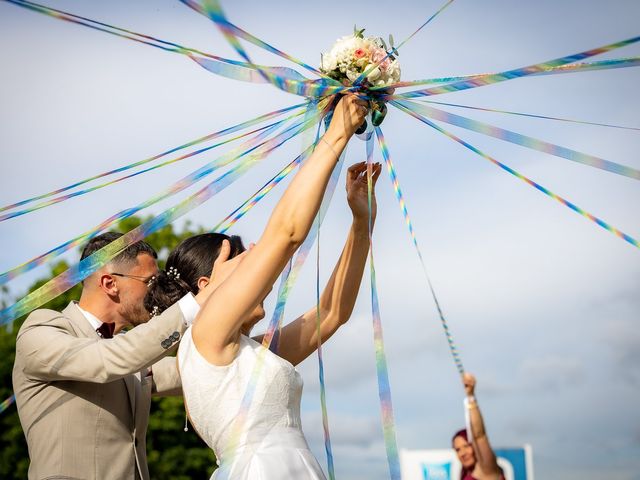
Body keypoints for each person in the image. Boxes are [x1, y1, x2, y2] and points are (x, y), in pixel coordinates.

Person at [145, 94, 372, 479]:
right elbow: (284, 235)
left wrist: (361, 224)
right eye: (237, 256)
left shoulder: (249, 351)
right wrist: (336, 134)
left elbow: (333, 313)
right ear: (207, 284)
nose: (252, 254)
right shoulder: (206, 332)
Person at [12, 231, 240, 479]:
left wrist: (263, 349)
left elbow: (202, 365)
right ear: (110, 284)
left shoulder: (128, 352)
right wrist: (199, 301)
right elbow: (107, 360)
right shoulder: (42, 329)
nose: (157, 292)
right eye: (150, 282)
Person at [452, 373, 505, 480]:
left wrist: (471, 397)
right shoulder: (465, 475)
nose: (462, 453)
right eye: (458, 450)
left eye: (466, 446)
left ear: (474, 445)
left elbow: (479, 435)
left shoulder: (487, 469)